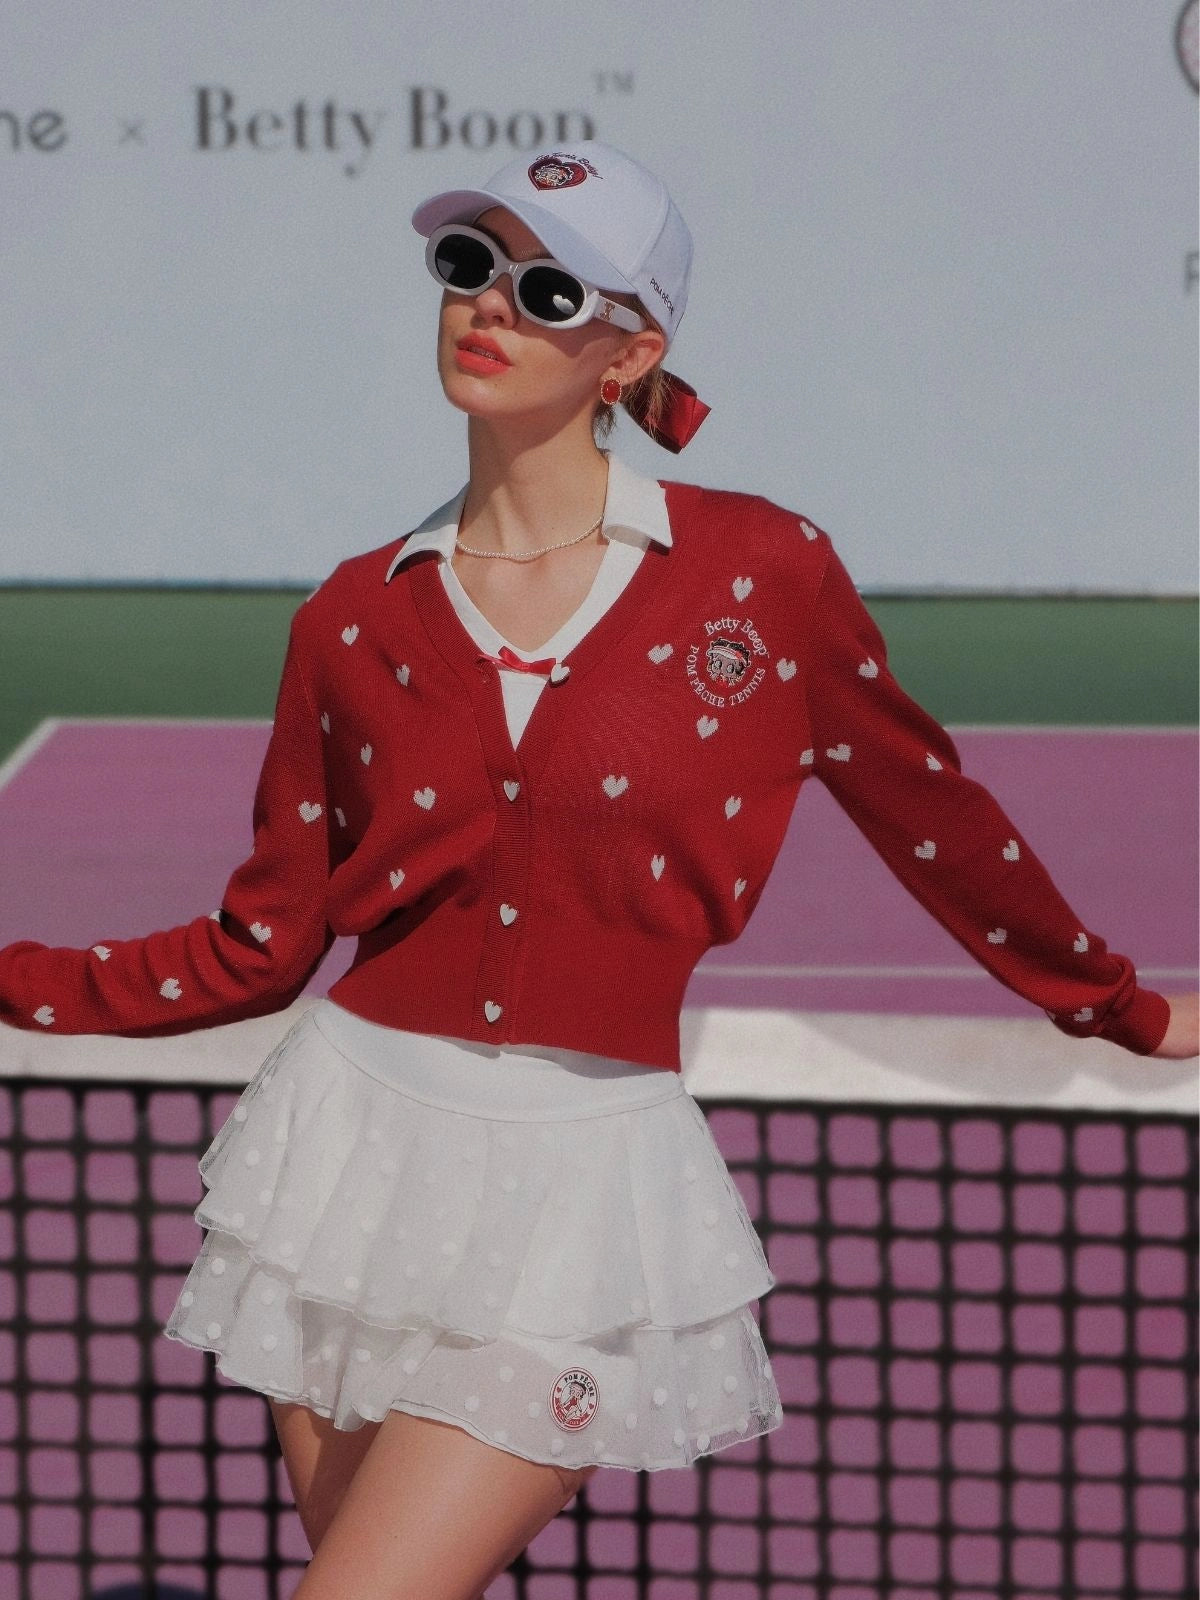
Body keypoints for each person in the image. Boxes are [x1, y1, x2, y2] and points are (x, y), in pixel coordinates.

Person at [1, 141, 1195, 1599]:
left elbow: (928, 811)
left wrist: (1118, 1005)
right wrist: (11, 982)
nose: (488, 306)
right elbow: (260, 947)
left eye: (548, 287)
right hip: (340, 1166)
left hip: (582, 1196)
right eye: (469, 266)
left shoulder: (762, 574)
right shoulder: (351, 619)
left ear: (631, 354)